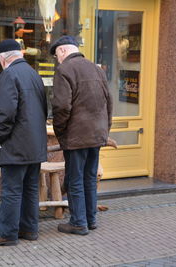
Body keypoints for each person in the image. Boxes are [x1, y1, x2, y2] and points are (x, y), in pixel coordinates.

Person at [0, 39, 47, 246]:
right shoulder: (33, 73)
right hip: (35, 143)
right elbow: (45, 109)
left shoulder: (9, 74)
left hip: (15, 144)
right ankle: (30, 230)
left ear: (3, 59)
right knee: (30, 189)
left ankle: (7, 234)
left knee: (12, 190)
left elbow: (4, 113)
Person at [50, 36, 113, 235]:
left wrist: (60, 131)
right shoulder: (97, 69)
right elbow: (109, 104)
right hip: (96, 134)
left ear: (61, 51)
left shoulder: (64, 70)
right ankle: (90, 219)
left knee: (75, 179)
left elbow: (61, 107)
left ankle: (78, 223)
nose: (57, 60)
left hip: (76, 136)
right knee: (89, 177)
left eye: (56, 55)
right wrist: (105, 130)